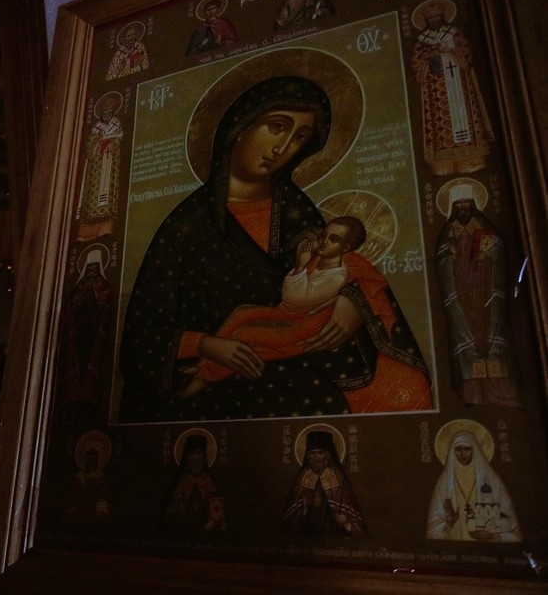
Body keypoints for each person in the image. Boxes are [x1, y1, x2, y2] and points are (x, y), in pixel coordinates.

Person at [118, 75, 430, 422]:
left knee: (401, 391)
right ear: (240, 127)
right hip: (232, 378)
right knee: (313, 403)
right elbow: (140, 339)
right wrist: (207, 345)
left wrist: (354, 303)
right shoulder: (185, 226)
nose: (284, 148)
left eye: (300, 137)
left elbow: (341, 265)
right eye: (277, 127)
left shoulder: (296, 210)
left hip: (305, 354)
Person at [178, 216, 365, 398]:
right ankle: (202, 364)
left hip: (299, 328)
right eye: (324, 235)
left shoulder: (337, 277)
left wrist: (300, 266)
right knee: (241, 312)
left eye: (333, 239)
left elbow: (294, 298)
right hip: (285, 314)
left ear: (346, 248)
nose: (324, 241)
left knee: (244, 334)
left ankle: (203, 378)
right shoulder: (320, 257)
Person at [435, 182, 522, 407]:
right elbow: (441, 260)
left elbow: (498, 251)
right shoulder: (449, 232)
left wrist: (489, 255)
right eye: (459, 204)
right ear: (453, 207)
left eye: (467, 203)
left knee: (492, 332)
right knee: (466, 336)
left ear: (473, 204)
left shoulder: (483, 226)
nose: (463, 208)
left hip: (486, 290)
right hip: (461, 292)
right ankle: (472, 394)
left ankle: (501, 391)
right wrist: (452, 257)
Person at [409, 0, 493, 175]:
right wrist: (430, 55)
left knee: (465, 117)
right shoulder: (422, 41)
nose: (434, 21)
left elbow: (467, 54)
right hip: (436, 93)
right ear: (426, 20)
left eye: (437, 17)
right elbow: (416, 64)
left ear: (443, 17)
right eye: (430, 19)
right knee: (440, 127)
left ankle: (471, 161)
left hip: (459, 85)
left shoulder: (454, 34)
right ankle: (444, 164)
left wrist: (451, 50)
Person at [427, 425, 521, 542]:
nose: (462, 454)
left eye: (467, 449)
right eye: (458, 449)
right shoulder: (444, 484)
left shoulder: (492, 482)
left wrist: (493, 534)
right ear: (452, 451)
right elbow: (433, 529)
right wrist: (449, 524)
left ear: (474, 450)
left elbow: (512, 529)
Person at [55, 246, 113, 425]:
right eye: (90, 267)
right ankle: (72, 402)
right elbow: (72, 305)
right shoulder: (80, 285)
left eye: (95, 266)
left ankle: (88, 403)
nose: (92, 269)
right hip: (80, 331)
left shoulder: (102, 284)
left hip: (94, 330)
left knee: (91, 362)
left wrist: (97, 299)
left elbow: (105, 303)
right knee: (76, 362)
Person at [281, 430, 367, 536]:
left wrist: (346, 523)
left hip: (332, 530)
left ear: (327, 455)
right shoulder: (303, 476)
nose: (317, 458)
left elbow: (356, 523)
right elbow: (291, 518)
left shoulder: (337, 477)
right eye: (313, 453)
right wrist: (304, 509)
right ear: (308, 456)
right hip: (308, 531)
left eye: (320, 453)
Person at [77, 92, 124, 241]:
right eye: (105, 102)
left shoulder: (116, 123)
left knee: (106, 196)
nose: (107, 104)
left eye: (110, 102)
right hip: (95, 168)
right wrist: (98, 140)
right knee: (91, 194)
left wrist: (111, 143)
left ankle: (105, 229)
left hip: (108, 163)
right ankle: (87, 231)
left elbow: (118, 139)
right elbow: (90, 144)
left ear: (114, 105)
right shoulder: (97, 126)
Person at [162, 433, 226, 530]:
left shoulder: (209, 481)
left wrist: (216, 522)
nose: (197, 458)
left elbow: (217, 510)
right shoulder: (181, 481)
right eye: (193, 454)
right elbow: (169, 516)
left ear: (203, 458)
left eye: (199, 454)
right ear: (188, 457)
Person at [62, 430, 113, 529]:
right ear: (84, 456)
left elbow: (105, 499)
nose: (91, 457)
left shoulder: (102, 478)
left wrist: (101, 511)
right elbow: (71, 499)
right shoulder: (79, 478)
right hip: (80, 514)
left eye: (94, 454)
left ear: (99, 455)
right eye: (89, 454)